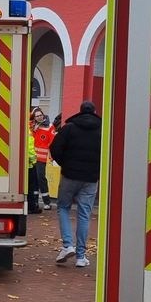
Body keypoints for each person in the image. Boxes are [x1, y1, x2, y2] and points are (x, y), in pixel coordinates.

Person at [49, 100, 102, 268]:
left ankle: (67, 246)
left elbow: (54, 148)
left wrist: (65, 164)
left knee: (63, 207)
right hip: (90, 179)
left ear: (80, 111)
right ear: (94, 111)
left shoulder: (69, 128)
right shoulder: (103, 129)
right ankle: (81, 256)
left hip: (70, 176)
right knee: (84, 214)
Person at [31, 108, 56, 210]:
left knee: (41, 178)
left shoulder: (49, 126)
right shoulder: (32, 125)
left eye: (40, 115)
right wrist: (33, 113)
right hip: (31, 157)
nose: (39, 117)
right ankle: (34, 202)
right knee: (33, 180)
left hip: (41, 158)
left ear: (43, 115)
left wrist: (52, 156)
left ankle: (47, 202)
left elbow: (53, 143)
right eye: (37, 116)